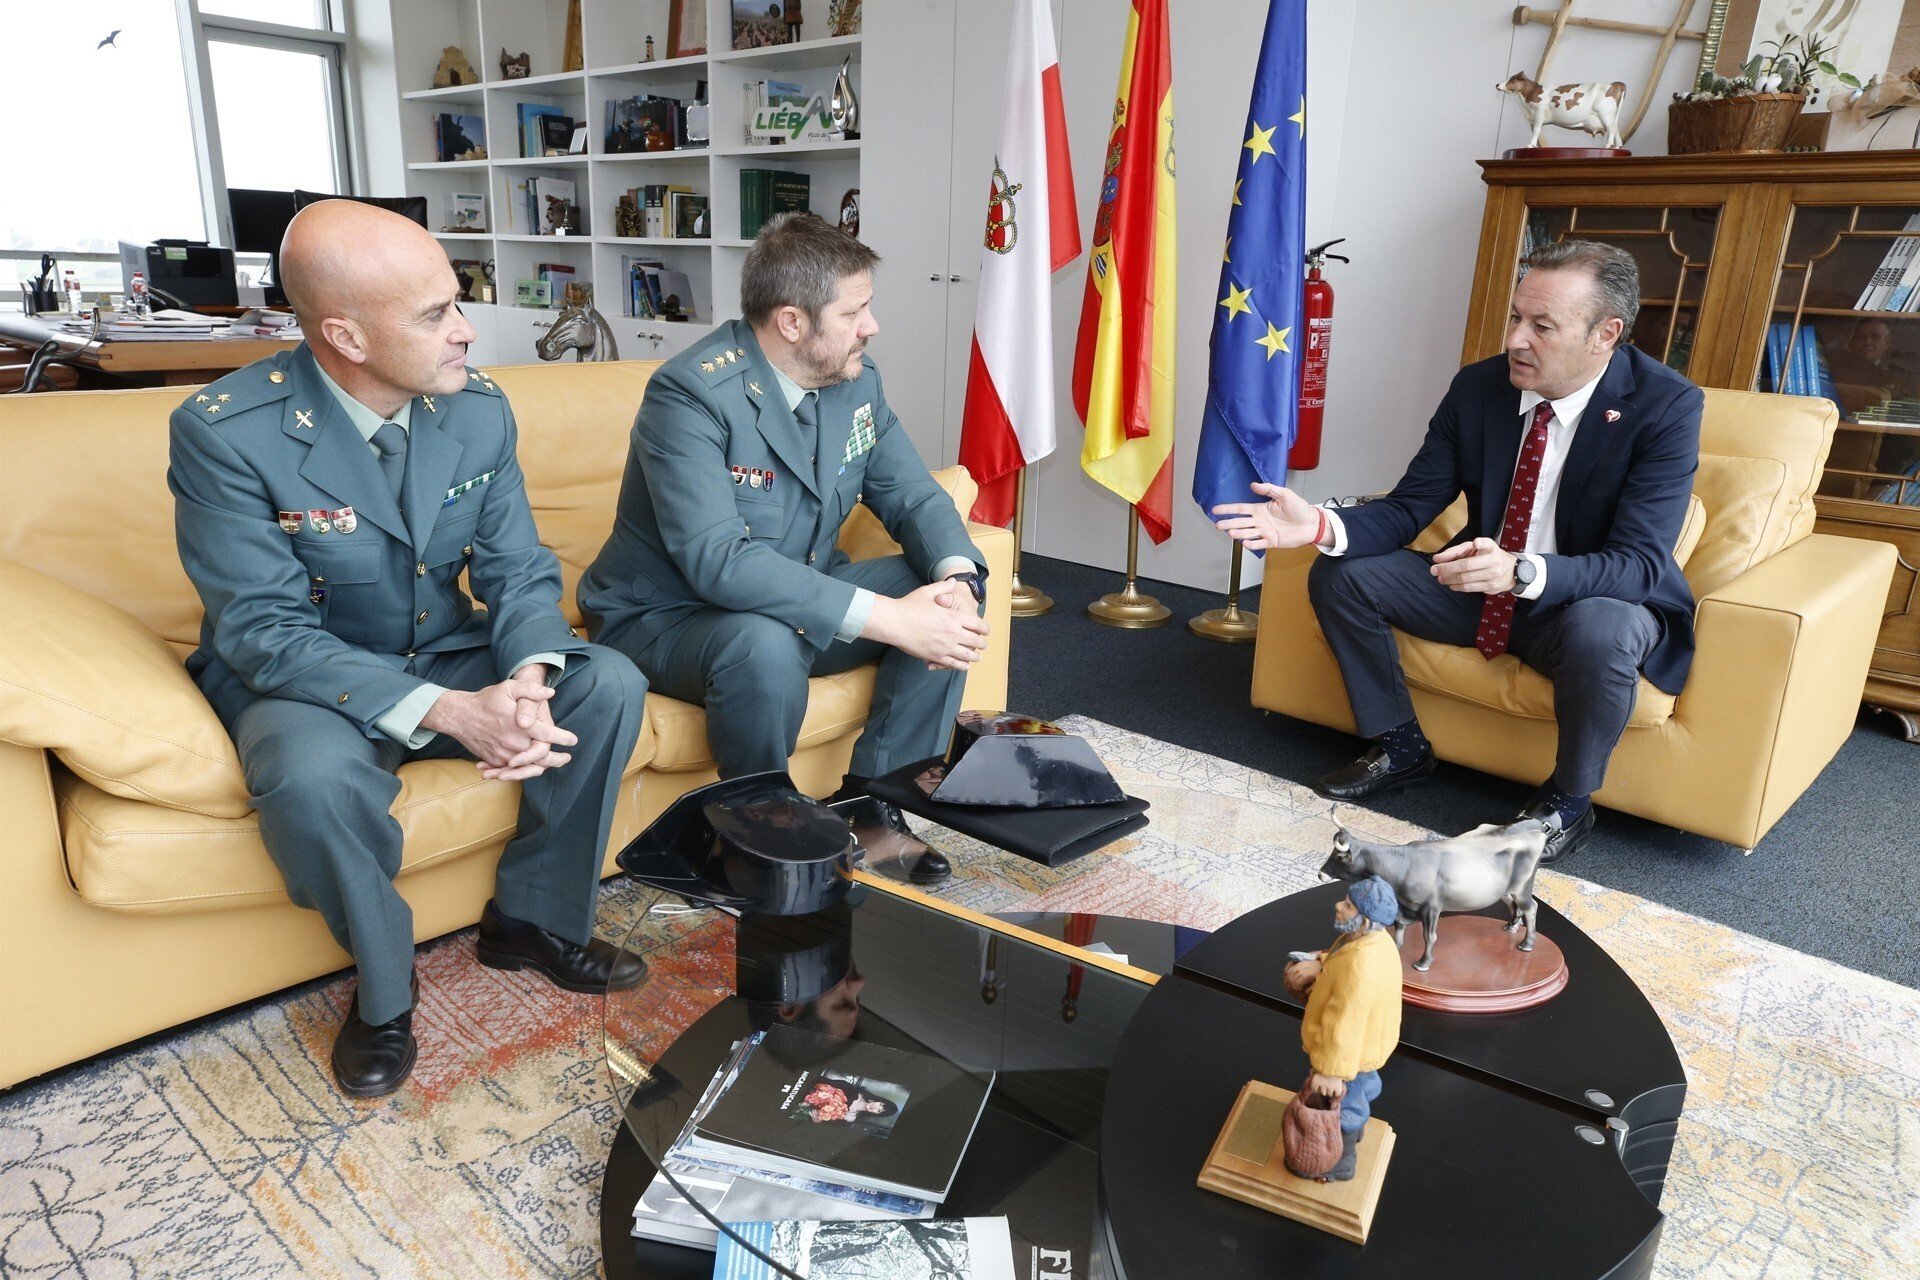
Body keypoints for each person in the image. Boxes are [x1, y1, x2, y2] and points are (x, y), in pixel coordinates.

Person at [168, 199, 649, 1098]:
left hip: (441, 649)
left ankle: (532, 922)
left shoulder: (477, 410)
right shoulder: (226, 431)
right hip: (307, 677)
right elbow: (263, 631)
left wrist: (528, 676)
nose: (466, 330)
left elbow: (517, 570)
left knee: (607, 682)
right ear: (346, 335)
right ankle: (386, 995)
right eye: (435, 314)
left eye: (456, 302)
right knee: (314, 781)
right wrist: (455, 713)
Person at [1213, 239, 1704, 863]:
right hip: (1482, 590)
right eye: (1516, 317)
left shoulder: (1664, 405)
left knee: (1602, 628)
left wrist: (1521, 570)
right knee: (1345, 575)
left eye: (1542, 326)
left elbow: (1639, 564)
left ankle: (1568, 803)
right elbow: (1409, 507)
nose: (1515, 340)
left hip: (1588, 603)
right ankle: (1400, 746)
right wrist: (1318, 524)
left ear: (1605, 335)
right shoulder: (1479, 388)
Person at [579, 212, 989, 885]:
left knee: (947, 592)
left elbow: (913, 496)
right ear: (793, 322)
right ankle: (761, 833)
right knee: (762, 644)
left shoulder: (855, 380)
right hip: (668, 620)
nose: (872, 326)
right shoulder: (689, 395)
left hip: (794, 601)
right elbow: (718, 561)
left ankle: (874, 805)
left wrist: (956, 581)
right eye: (854, 312)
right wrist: (891, 619)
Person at [1282, 876, 1404, 1182]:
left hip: (1349, 1058)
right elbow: (1341, 958)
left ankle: (1341, 1162)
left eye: (1349, 906)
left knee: (1344, 1107)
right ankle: (1355, 1134)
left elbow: (1346, 1023)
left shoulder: (1360, 968)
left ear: (1365, 920)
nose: (1339, 906)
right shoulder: (1371, 940)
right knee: (1363, 1090)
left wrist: (1330, 1072)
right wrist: (1321, 961)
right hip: (1366, 1048)